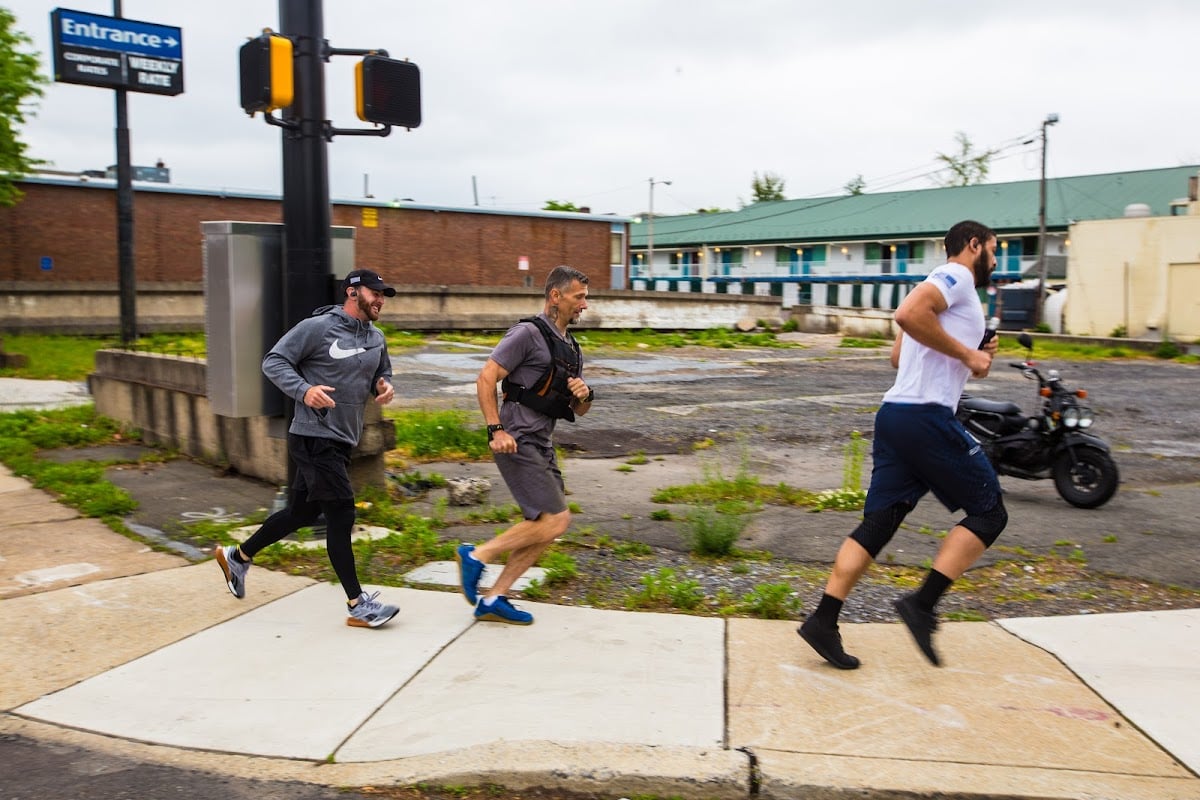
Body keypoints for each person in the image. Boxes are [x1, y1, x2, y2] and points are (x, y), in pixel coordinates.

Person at [798, 220, 1006, 668]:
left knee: (880, 522)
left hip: (896, 415)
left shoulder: (947, 290)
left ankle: (823, 619)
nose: (996, 259)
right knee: (990, 511)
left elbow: (899, 353)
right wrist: (969, 354)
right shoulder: (956, 277)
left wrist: (976, 352)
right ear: (973, 246)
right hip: (925, 416)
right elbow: (908, 316)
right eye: (993, 249)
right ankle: (923, 605)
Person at [213, 269, 401, 629]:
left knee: (301, 513)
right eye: (374, 293)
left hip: (344, 438)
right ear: (352, 292)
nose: (380, 299)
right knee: (342, 513)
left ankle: (238, 556)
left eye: (384, 295)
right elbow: (273, 360)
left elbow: (383, 372)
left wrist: (384, 386)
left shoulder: (376, 338)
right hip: (314, 435)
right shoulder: (317, 328)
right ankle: (358, 604)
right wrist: (304, 390)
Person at [455, 265, 594, 625]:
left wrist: (584, 395)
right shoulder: (527, 333)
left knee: (543, 525)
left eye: (585, 298)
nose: (585, 305)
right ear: (555, 296)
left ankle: (495, 597)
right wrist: (495, 430)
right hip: (516, 438)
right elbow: (486, 378)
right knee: (557, 521)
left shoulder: (570, 347)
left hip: (541, 442)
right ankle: (477, 556)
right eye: (579, 297)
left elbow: (578, 408)